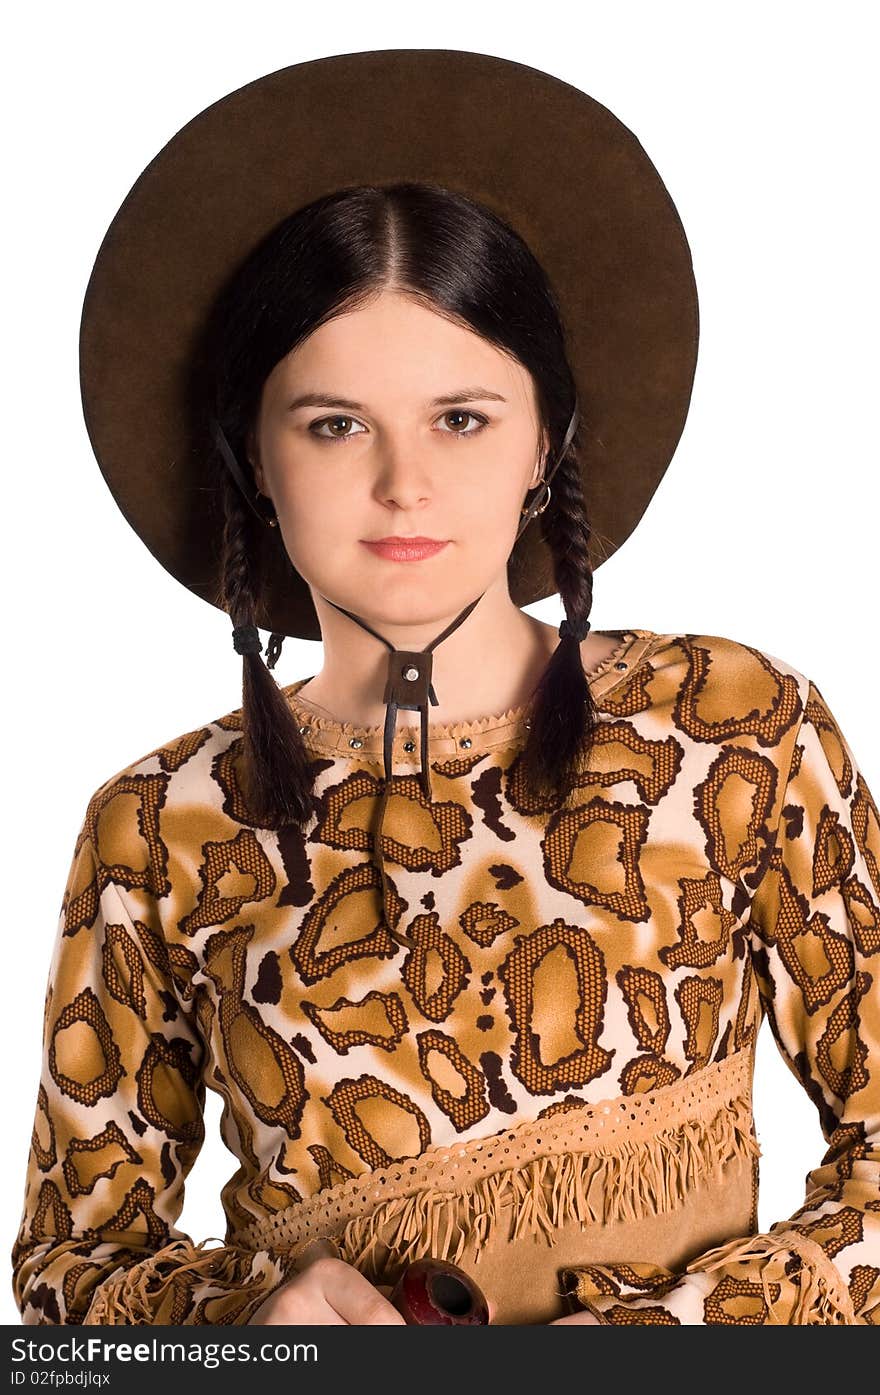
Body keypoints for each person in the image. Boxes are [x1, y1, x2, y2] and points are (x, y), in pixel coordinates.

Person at [10, 51, 879, 1327]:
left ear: (545, 444)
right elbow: (69, 1267)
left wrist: (673, 1336)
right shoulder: (157, 828)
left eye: (461, 419)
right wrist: (250, 1331)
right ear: (253, 457)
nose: (403, 484)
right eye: (334, 424)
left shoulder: (731, 725)